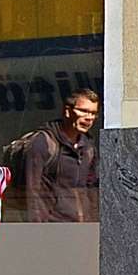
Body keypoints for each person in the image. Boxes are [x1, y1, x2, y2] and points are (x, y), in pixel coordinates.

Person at [20, 88, 101, 222]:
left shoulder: (88, 147)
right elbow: (32, 192)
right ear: (68, 111)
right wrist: (37, 231)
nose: (89, 118)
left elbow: (91, 190)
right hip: (53, 229)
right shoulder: (44, 142)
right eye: (83, 111)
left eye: (93, 113)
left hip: (83, 229)